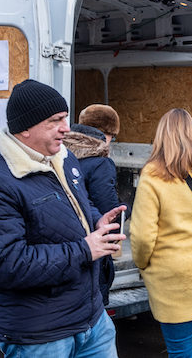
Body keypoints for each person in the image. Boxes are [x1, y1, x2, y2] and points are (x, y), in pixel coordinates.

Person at [0, 79, 125, 358]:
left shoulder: (63, 158)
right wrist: (85, 249)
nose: (66, 128)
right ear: (25, 127)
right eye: (55, 120)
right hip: (40, 335)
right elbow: (5, 265)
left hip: (93, 322)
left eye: (65, 118)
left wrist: (95, 220)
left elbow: (76, 206)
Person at [130, 108, 192, 358]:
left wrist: (143, 264)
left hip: (173, 276)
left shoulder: (152, 174)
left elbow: (142, 236)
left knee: (181, 350)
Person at [63, 104, 122, 306]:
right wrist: (127, 209)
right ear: (106, 133)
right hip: (94, 250)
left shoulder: (61, 154)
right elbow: (109, 211)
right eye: (112, 137)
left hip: (68, 248)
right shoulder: (100, 163)